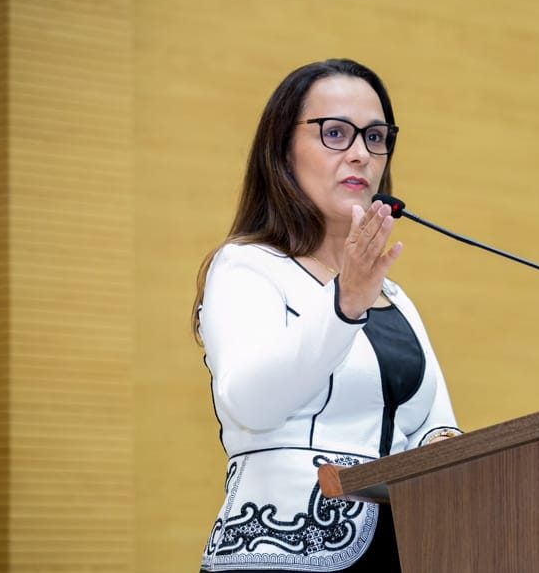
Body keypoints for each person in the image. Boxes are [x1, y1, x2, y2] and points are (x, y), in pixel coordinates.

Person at [192, 58, 462, 573]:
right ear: (282, 150)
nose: (360, 153)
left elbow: (435, 429)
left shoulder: (394, 296)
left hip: (403, 548)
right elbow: (250, 403)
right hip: (280, 551)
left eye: (375, 137)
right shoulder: (246, 267)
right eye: (335, 133)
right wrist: (343, 304)